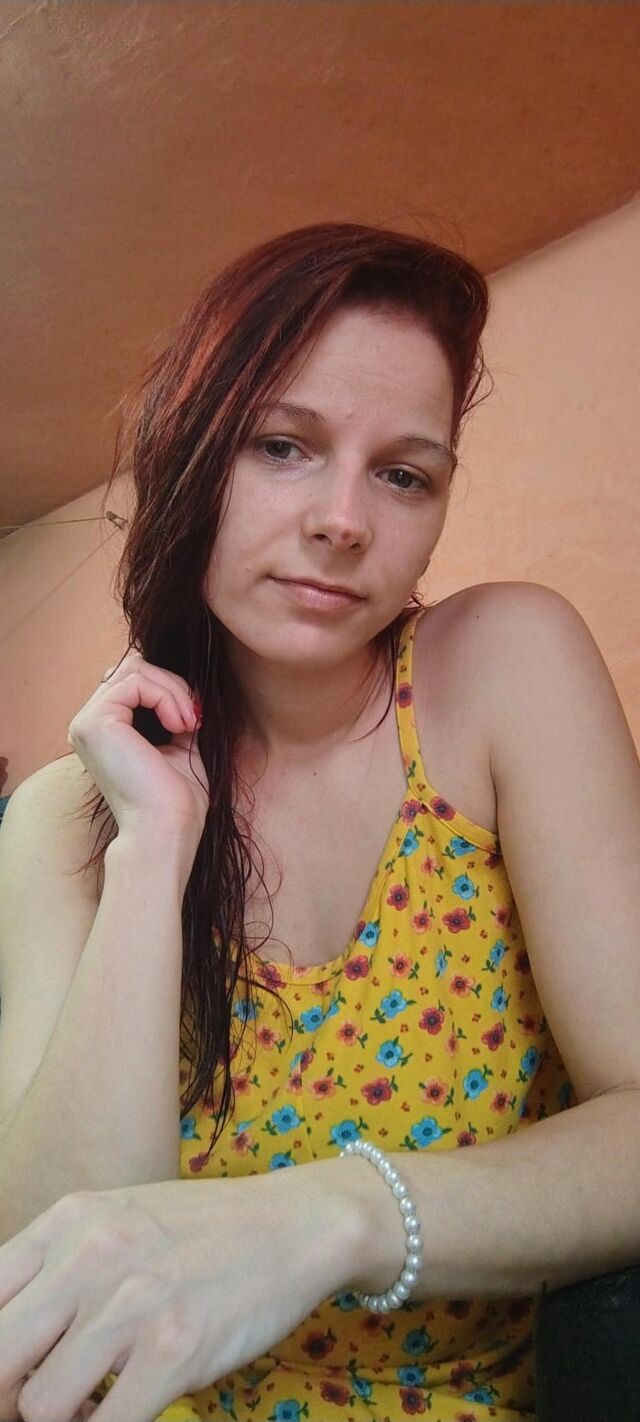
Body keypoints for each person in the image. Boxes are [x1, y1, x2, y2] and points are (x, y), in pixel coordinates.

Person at [0, 221, 639, 1422]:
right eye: (283, 446)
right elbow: (47, 1281)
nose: (344, 519)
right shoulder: (62, 821)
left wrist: (331, 1216)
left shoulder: (501, 670)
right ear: (192, 457)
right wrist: (151, 853)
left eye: (403, 474)